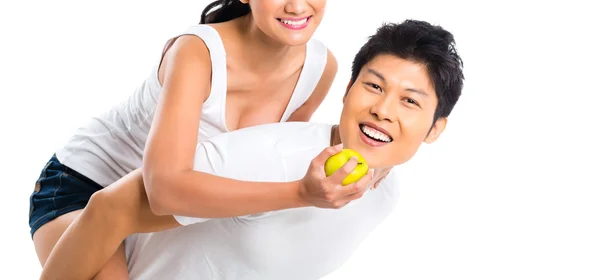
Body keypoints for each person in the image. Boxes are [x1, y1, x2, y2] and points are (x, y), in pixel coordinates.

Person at [29, 0, 378, 279]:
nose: (298, 3)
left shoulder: (320, 68)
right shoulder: (197, 54)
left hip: (160, 215)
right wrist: (299, 193)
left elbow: (265, 156)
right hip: (83, 189)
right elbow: (163, 190)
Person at [39, 19, 465, 280]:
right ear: (348, 91)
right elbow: (108, 209)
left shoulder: (384, 195)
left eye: (410, 101)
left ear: (435, 129)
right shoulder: (265, 156)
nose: (382, 110)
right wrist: (297, 192)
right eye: (373, 86)